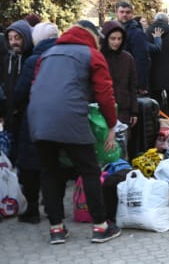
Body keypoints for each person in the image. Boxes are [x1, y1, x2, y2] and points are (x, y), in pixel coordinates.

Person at [27, 20, 121, 244]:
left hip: (39, 118)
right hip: (70, 116)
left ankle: (56, 229)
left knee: (50, 172)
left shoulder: (47, 54)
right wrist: (111, 125)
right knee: (89, 169)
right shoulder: (91, 54)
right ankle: (100, 226)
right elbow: (104, 93)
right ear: (92, 36)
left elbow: (35, 86)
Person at [13, 22, 60, 224]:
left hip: (33, 118)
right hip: (60, 118)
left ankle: (32, 210)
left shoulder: (33, 60)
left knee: (31, 166)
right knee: (53, 166)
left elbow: (21, 92)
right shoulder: (63, 57)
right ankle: (55, 210)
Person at [1, 20, 34, 165]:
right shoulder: (7, 58)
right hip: (10, 112)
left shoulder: (31, 58)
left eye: (17, 38)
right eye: (11, 38)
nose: (14, 42)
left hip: (27, 112)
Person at [115, 0, 161, 96]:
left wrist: (141, 85)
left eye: (127, 12)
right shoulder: (114, 29)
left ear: (132, 14)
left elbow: (142, 59)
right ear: (117, 13)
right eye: (122, 12)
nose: (124, 15)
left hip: (131, 79)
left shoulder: (136, 32)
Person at [100, 20, 138, 127]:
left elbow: (132, 86)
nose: (116, 42)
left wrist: (134, 111)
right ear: (106, 38)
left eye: (119, 39)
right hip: (102, 110)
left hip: (124, 111)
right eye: (113, 38)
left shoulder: (127, 58)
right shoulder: (98, 57)